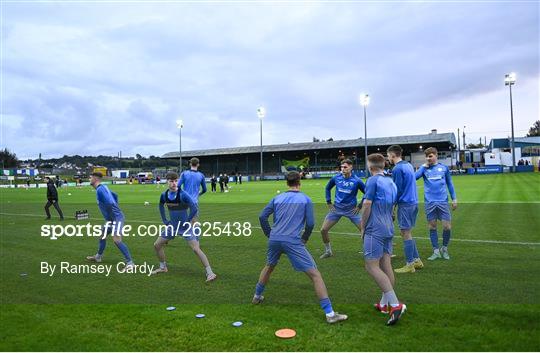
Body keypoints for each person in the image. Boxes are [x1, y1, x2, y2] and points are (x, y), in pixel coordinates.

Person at [253, 171, 347, 324]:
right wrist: (305, 238)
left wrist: (270, 234)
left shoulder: (277, 198)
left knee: (269, 266)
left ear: (286, 183)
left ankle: (257, 296)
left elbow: (262, 216)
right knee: (315, 275)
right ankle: (330, 314)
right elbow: (310, 224)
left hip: (275, 239)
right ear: (300, 182)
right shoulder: (305, 199)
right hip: (292, 241)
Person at [361, 153, 405, 325]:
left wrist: (363, 226)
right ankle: (383, 304)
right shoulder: (390, 181)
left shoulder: (372, 180)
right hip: (388, 227)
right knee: (386, 265)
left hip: (374, 228)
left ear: (371, 167)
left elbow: (366, 204)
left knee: (371, 266)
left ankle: (395, 305)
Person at [151, 172, 216, 281]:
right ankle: (163, 267)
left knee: (196, 249)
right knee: (157, 245)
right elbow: (160, 206)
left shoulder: (183, 194)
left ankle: (210, 273)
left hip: (185, 227)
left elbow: (194, 208)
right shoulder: (164, 195)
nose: (174, 183)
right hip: (172, 227)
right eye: (171, 181)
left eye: (176, 181)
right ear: (167, 182)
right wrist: (165, 220)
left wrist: (188, 220)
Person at [415, 147, 457, 260]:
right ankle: (436, 251)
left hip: (443, 202)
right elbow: (414, 178)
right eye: (427, 156)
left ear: (436, 155)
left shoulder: (443, 168)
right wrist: (422, 167)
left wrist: (454, 199)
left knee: (447, 227)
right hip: (429, 202)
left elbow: (450, 184)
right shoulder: (424, 169)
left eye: (430, 156)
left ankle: (444, 248)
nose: (428, 158)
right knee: (432, 227)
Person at [386, 145, 423, 273]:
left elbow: (398, 190)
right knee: (407, 232)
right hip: (413, 202)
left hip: (405, 204)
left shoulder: (397, 169)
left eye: (388, 155)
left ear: (393, 155)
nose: (387, 158)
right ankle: (417, 260)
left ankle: (409, 265)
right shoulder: (408, 165)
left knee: (405, 233)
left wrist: (392, 207)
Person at [86, 172, 134, 268]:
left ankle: (130, 263)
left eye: (90, 177)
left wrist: (113, 213)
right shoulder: (103, 187)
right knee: (102, 236)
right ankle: (98, 257)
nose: (89, 179)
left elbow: (110, 202)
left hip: (116, 218)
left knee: (117, 240)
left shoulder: (100, 190)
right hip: (112, 219)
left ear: (95, 179)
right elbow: (115, 195)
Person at [320, 159, 365, 259]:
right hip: (336, 209)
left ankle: (369, 253)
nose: (343, 169)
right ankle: (328, 251)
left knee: (364, 231)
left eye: (345, 167)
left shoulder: (357, 180)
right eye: (341, 167)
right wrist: (328, 202)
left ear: (351, 167)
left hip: (352, 210)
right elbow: (327, 188)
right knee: (323, 230)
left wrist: (360, 205)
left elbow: (367, 193)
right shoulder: (336, 178)